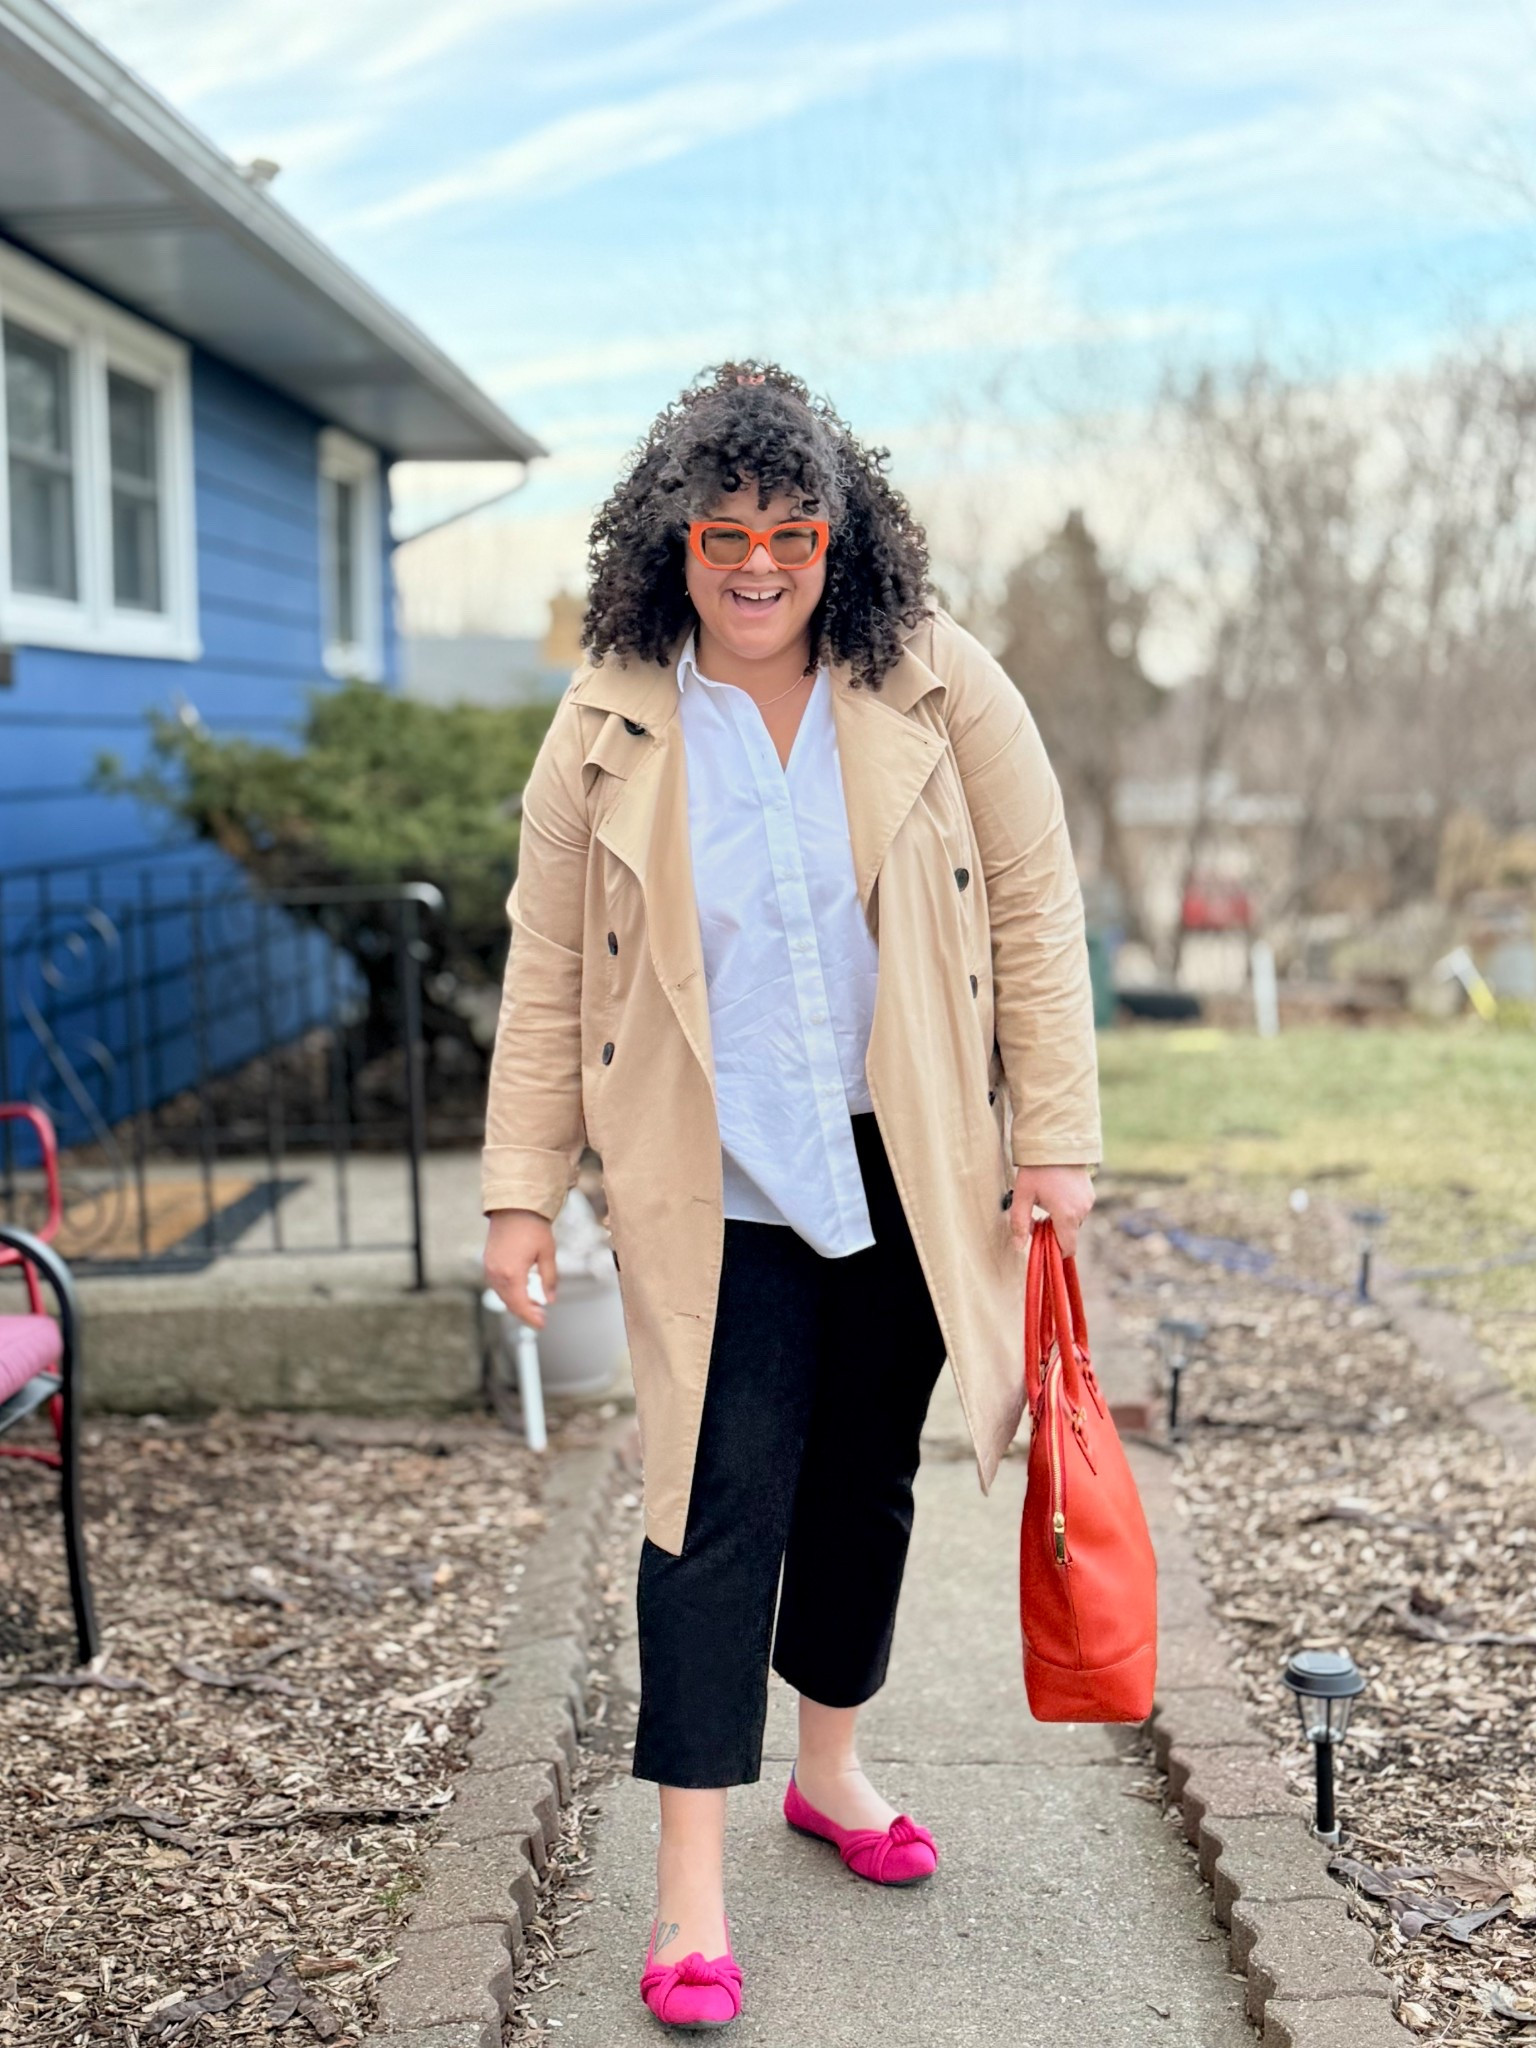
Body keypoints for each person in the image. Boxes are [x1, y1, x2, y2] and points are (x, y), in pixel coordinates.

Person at [481, 361, 1101, 2032]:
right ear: (672, 542)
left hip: (910, 1165)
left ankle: (831, 1768)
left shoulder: (939, 681)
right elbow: (548, 974)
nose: (759, 565)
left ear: (842, 540)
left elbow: (1036, 906)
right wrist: (522, 1192)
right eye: (724, 534)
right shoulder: (607, 719)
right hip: (715, 1179)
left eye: (793, 533)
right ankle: (689, 1885)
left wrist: (1054, 1139)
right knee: (706, 1509)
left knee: (861, 1485)